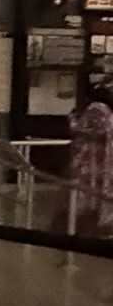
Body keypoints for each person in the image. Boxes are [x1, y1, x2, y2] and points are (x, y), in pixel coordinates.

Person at [69, 86, 113, 236]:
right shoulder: (108, 111)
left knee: (90, 191)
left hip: (93, 159)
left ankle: (89, 225)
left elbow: (79, 128)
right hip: (104, 159)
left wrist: (73, 117)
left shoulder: (96, 108)